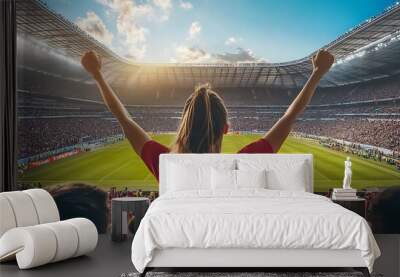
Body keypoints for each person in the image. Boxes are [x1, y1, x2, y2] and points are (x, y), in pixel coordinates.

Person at [81, 49, 334, 181]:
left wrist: (97, 75)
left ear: (185, 125)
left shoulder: (166, 164)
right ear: (226, 128)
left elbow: (125, 121)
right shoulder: (243, 163)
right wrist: (317, 73)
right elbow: (288, 118)